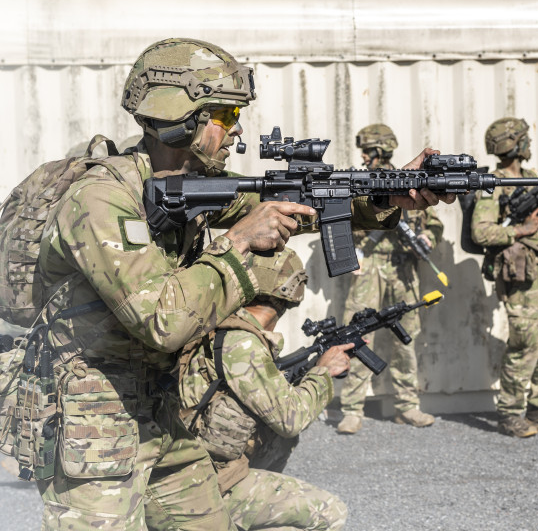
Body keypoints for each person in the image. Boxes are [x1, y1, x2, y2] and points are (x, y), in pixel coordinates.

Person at [34, 38, 450, 530]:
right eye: (225, 117)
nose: (236, 132)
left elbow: (298, 208)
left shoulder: (188, 185)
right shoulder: (101, 199)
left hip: (161, 411)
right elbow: (161, 321)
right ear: (180, 117)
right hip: (95, 424)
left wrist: (387, 194)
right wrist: (237, 244)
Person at [178, 248, 349, 531]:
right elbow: (291, 419)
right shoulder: (241, 343)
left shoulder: (222, 328)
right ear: (291, 292)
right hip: (205, 485)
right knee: (329, 512)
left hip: (201, 472)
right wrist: (323, 373)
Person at [471, 117, 538, 438]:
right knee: (525, 344)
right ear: (512, 145)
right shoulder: (494, 185)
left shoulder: (534, 178)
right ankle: (510, 413)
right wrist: (521, 229)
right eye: (524, 139)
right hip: (520, 275)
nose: (529, 144)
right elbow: (480, 231)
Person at [337, 124, 444, 434]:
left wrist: (426, 237)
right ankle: (352, 409)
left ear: (379, 151)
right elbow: (343, 217)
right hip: (369, 267)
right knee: (357, 335)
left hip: (402, 268)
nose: (363, 157)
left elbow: (433, 223)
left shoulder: (407, 182)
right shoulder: (362, 181)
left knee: (406, 339)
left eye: (367, 151)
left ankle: (407, 407)